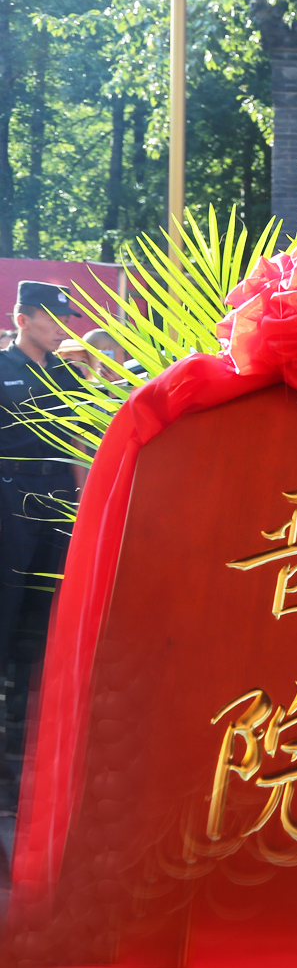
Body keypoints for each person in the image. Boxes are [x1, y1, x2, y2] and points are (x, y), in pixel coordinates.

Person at [0, 282, 85, 767]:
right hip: (9, 498)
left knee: (40, 628)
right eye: (51, 320)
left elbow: (78, 447)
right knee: (5, 617)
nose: (60, 330)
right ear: (22, 319)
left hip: (56, 504)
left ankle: (22, 754)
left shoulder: (68, 378)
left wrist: (82, 510)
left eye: (63, 321)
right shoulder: (1, 370)